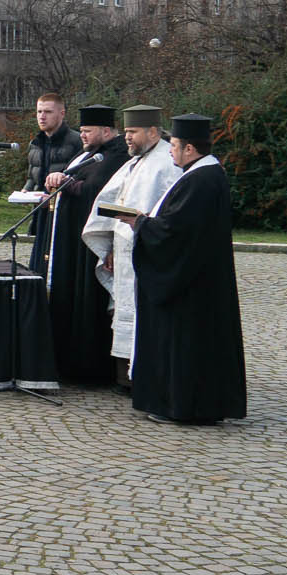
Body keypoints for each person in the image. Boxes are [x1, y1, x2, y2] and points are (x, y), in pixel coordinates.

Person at [111, 114, 246, 425]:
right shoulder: (202, 175)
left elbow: (176, 233)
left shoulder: (202, 179)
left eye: (173, 146)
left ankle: (183, 405)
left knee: (186, 345)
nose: (170, 151)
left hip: (190, 285)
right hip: (197, 279)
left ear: (189, 149)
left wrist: (140, 222)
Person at [81, 105, 180, 387]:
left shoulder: (165, 163)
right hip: (125, 253)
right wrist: (110, 244)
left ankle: (144, 378)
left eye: (133, 132)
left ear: (152, 132)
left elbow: (162, 214)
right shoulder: (135, 161)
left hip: (148, 253)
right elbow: (111, 201)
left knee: (141, 315)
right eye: (125, 131)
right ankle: (126, 377)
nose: (127, 137)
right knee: (125, 310)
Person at [34, 104, 128, 385]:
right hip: (68, 242)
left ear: (106, 130)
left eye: (88, 131)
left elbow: (94, 191)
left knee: (88, 305)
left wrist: (64, 183)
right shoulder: (87, 153)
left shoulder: (116, 155)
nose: (83, 135)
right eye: (82, 131)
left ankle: (89, 368)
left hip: (90, 247)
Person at [24, 92, 82, 264]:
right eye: (39, 111)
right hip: (41, 212)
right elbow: (32, 177)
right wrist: (26, 191)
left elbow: (80, 179)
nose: (42, 117)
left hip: (64, 214)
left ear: (62, 113)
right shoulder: (35, 143)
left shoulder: (77, 141)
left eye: (48, 112)